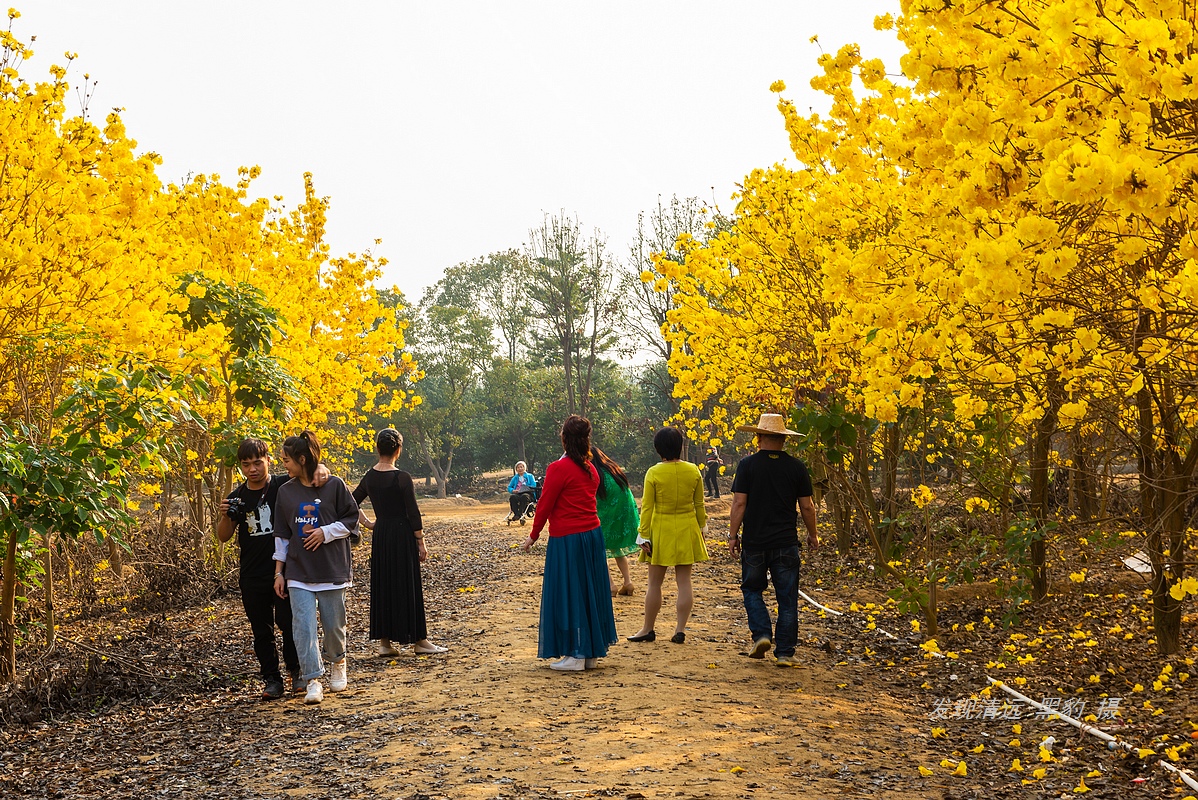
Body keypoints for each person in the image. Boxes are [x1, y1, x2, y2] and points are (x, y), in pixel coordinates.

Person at [217, 438, 329, 700]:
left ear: (268, 460)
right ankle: (272, 680)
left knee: (290, 623)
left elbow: (313, 473)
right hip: (252, 572)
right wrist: (224, 515)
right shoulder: (237, 497)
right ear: (240, 467)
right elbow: (223, 536)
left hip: (288, 570)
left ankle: (297, 672)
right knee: (261, 630)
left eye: (258, 462)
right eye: (246, 465)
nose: (253, 469)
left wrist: (322, 468)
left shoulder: (284, 485)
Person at [521, 416, 618, 671]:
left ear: (564, 439)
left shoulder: (559, 468)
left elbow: (545, 504)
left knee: (570, 592)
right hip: (591, 536)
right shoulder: (590, 468)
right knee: (589, 593)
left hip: (568, 539)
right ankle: (589, 653)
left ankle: (576, 654)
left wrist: (533, 534)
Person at [273, 431, 360, 704]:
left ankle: (338, 662)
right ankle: (312, 679)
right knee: (303, 628)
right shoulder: (284, 492)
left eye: (286, 460)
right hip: (298, 573)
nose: (283, 465)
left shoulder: (334, 485)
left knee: (335, 626)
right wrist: (279, 572)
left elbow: (351, 520)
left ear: (301, 459)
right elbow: (282, 535)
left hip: (332, 570)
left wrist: (325, 532)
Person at [728, 413, 819, 667]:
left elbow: (739, 503)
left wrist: (733, 536)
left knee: (751, 589)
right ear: (784, 439)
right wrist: (812, 535)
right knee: (787, 598)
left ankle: (762, 635)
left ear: (758, 437)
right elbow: (807, 507)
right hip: (786, 543)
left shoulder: (747, 465)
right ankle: (785, 653)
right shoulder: (797, 467)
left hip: (755, 542)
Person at [353, 428, 447, 658]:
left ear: (377, 449)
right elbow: (413, 513)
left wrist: (367, 523)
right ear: (398, 450)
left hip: (382, 534)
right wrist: (421, 542)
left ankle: (385, 643)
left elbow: (349, 501)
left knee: (383, 583)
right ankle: (419, 641)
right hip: (402, 534)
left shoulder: (369, 477)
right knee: (408, 584)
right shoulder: (401, 477)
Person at [627, 427, 709, 645]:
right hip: (687, 527)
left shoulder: (653, 472)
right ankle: (680, 630)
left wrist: (642, 534)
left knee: (654, 583)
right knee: (684, 581)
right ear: (680, 447)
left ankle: (648, 629)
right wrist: (702, 527)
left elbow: (647, 508)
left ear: (657, 449)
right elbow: (699, 503)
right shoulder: (693, 471)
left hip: (660, 529)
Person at [591, 446, 639, 596]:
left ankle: (611, 585)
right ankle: (628, 582)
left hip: (605, 513)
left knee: (598, 550)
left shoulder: (593, 473)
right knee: (616, 547)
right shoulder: (613, 469)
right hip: (622, 512)